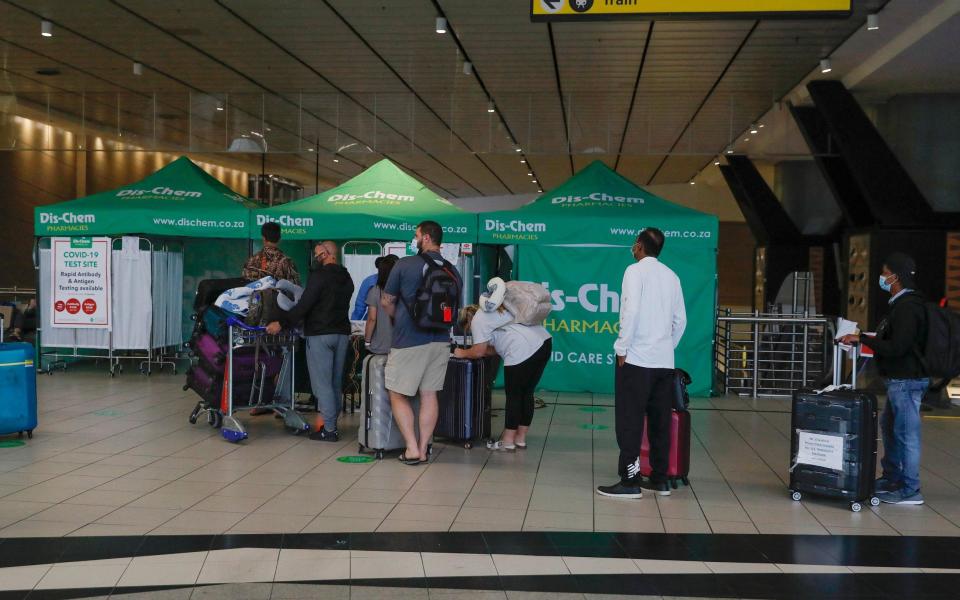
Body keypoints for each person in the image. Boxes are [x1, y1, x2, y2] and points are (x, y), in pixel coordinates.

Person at [597, 228, 686, 500]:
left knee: (630, 420)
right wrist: (665, 348)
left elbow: (630, 310)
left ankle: (630, 480)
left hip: (636, 360)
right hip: (663, 362)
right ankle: (660, 479)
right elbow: (680, 321)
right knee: (659, 420)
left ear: (639, 246)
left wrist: (622, 348)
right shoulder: (672, 276)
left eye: (634, 244)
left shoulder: (634, 272)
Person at [840, 252, 928, 505]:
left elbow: (897, 346)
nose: (881, 277)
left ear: (894, 277)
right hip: (900, 380)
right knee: (890, 428)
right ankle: (892, 477)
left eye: (884, 272)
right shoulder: (901, 304)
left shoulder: (908, 307)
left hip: (907, 380)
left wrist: (864, 339)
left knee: (906, 434)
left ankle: (910, 490)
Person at [381, 220, 462, 465]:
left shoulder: (405, 265)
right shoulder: (452, 270)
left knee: (397, 393)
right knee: (429, 395)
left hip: (408, 340)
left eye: (416, 235)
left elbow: (387, 301)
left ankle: (412, 448)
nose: (414, 239)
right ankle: (425, 448)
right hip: (440, 341)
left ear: (426, 238)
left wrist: (403, 319)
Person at [267, 240, 353, 441]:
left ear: (328, 253)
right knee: (334, 382)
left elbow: (305, 304)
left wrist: (282, 322)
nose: (316, 258)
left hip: (320, 334)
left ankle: (329, 430)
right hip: (341, 333)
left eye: (318, 254)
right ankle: (332, 424)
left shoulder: (319, 276)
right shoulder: (346, 276)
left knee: (322, 384)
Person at [455, 302, 551, 451]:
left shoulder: (477, 320)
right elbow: (494, 348)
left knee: (514, 396)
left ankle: (507, 442)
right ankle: (520, 439)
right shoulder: (495, 312)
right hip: (543, 342)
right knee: (527, 393)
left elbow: (479, 351)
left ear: (467, 322)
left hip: (522, 349)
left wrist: (461, 353)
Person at [364, 255, 399, 355]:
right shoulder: (402, 290)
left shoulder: (375, 291)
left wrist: (367, 341)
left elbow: (372, 319)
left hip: (379, 346)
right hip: (400, 346)